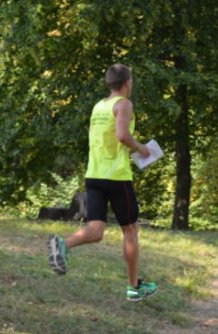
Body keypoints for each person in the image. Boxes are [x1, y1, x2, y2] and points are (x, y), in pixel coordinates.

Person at [48, 63, 158, 302]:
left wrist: (126, 148)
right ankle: (133, 287)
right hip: (117, 176)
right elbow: (121, 135)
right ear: (127, 83)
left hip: (94, 175)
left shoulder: (99, 106)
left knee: (96, 231)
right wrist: (140, 148)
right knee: (130, 230)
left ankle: (62, 244)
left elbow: (107, 138)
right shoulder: (124, 104)